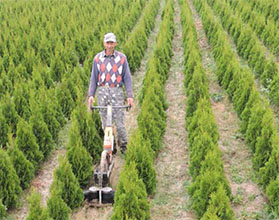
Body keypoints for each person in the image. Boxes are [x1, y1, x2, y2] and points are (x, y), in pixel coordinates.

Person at [88, 32, 134, 154]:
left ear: (115, 43)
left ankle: (124, 146)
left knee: (119, 123)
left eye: (112, 43)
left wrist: (129, 96)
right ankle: (111, 146)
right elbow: (93, 77)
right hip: (102, 92)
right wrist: (91, 95)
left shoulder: (122, 58)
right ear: (104, 43)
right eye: (107, 43)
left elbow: (127, 78)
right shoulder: (97, 59)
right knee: (105, 123)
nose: (109, 45)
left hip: (117, 91)